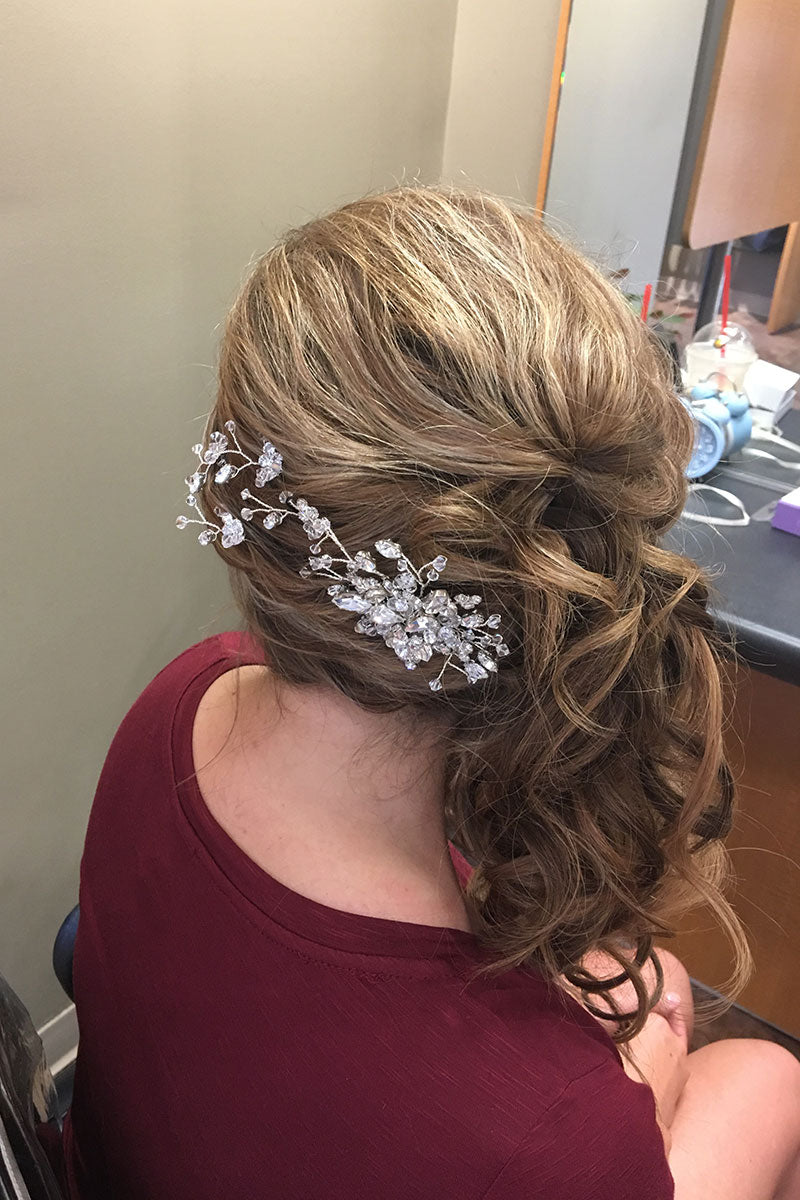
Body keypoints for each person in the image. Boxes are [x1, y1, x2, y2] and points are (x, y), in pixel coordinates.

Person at [63, 187, 800, 1199]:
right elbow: (534, 1126)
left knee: (661, 1000)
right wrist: (640, 1073)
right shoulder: (542, 1140)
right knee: (758, 1072)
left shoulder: (181, 701)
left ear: (247, 503)